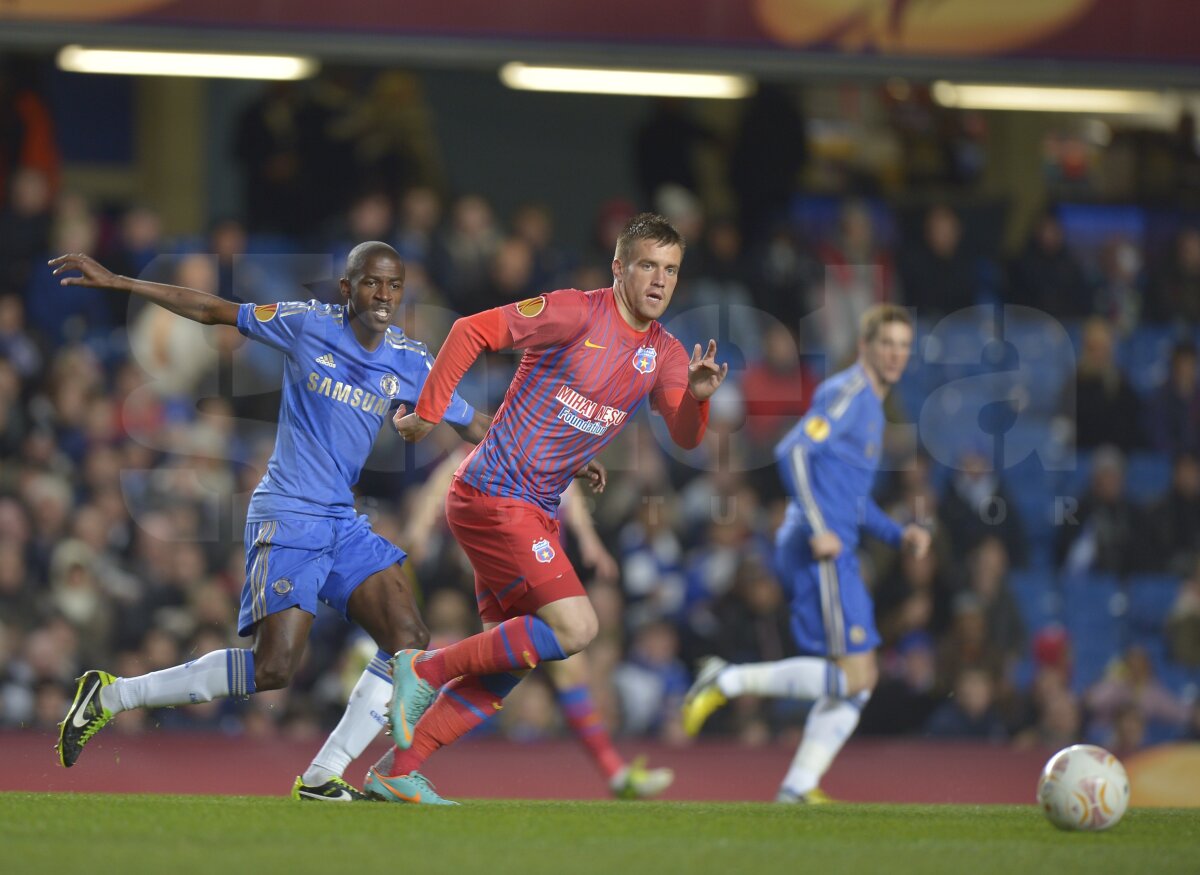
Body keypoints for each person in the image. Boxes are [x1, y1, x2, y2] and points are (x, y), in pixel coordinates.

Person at [49, 242, 496, 801]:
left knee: (408, 638)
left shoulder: (409, 360)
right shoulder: (307, 326)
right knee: (274, 669)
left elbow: (474, 422)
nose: (383, 296)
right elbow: (214, 309)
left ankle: (322, 775)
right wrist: (122, 283)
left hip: (340, 520)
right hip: (287, 513)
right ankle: (111, 697)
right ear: (346, 288)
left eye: (394, 286)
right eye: (372, 283)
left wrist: (557, 456)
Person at [367, 212, 728, 804]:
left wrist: (700, 399)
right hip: (494, 494)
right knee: (578, 627)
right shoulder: (574, 311)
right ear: (618, 268)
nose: (660, 281)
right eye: (647, 266)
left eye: (671, 270)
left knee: (507, 664)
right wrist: (430, 414)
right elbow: (468, 331)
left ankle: (396, 769)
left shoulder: (665, 352)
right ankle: (423, 669)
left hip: (532, 508)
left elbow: (685, 435)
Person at [681, 304, 930, 803]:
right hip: (819, 544)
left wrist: (896, 532)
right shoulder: (849, 392)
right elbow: (792, 450)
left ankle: (797, 786)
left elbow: (852, 496)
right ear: (865, 347)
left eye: (904, 345)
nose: (896, 354)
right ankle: (726, 678)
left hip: (835, 539)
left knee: (859, 681)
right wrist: (818, 528)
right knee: (855, 675)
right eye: (888, 344)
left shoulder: (874, 409)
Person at [399, 448, 674, 798]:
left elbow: (569, 497)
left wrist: (589, 541)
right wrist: (420, 529)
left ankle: (399, 764)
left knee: (517, 667)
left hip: (540, 564)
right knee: (560, 648)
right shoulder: (490, 449)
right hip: (515, 559)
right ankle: (424, 664)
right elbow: (442, 483)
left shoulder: (546, 446)